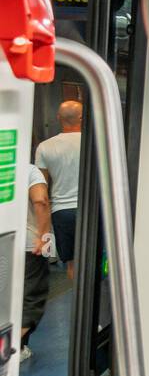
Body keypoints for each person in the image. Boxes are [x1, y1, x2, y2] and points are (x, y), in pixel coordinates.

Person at [35, 100, 83, 280]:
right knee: (96, 258)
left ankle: (78, 302)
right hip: (92, 211)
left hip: (61, 212)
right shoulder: (96, 143)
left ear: (58, 118)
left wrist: (43, 230)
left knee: (72, 264)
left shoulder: (44, 147)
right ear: (82, 118)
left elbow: (41, 189)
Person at [20, 164, 54, 362]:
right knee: (32, 299)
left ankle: (20, 346)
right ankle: (10, 349)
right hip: (29, 245)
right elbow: (40, 200)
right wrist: (43, 237)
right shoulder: (29, 170)